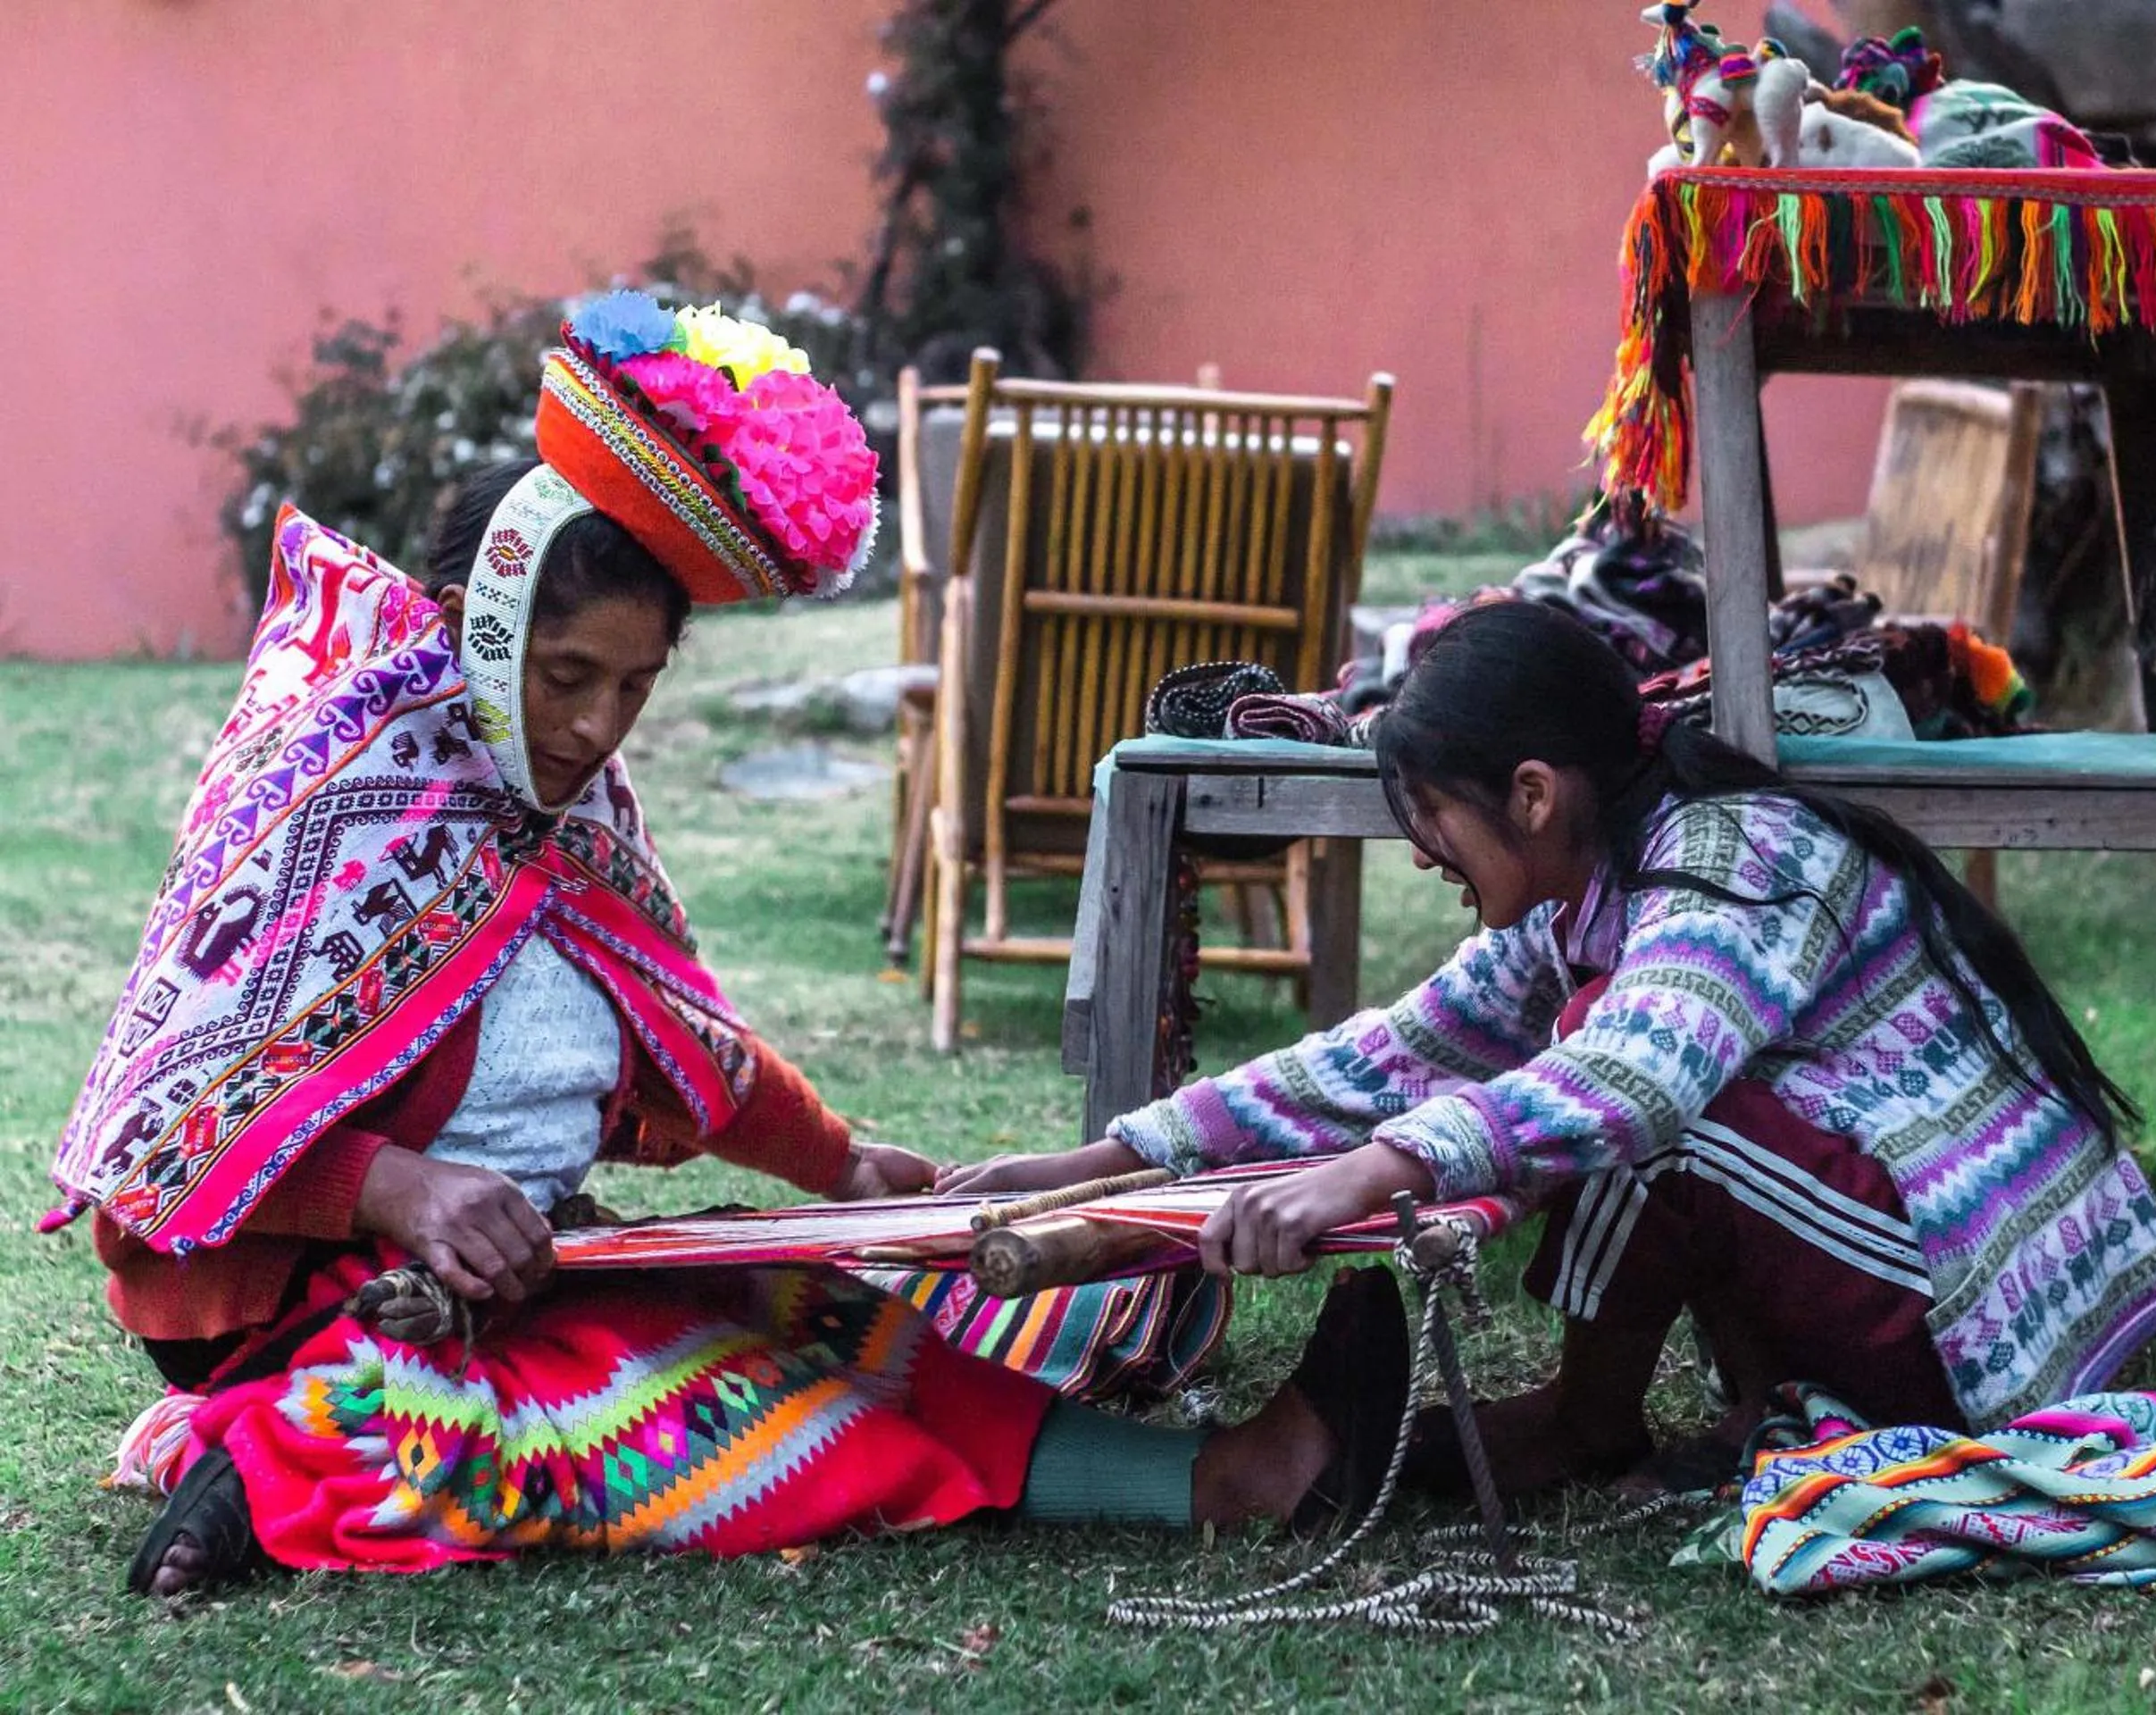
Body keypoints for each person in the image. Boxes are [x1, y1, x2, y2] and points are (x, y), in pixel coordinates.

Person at [50, 296, 1407, 1598]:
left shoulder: (564, 819)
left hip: (516, 1265)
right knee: (690, 1385)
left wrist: (850, 1167)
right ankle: (296, 1444)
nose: (594, 729)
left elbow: (683, 1045)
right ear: (473, 619)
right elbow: (150, 1152)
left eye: (632, 688)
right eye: (565, 676)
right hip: (299, 1292)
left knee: (808, 1305)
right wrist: (399, 1189)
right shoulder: (330, 795)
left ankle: (335, 1429)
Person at [943, 599, 2156, 1493]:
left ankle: (1583, 1426)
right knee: (1590, 1079)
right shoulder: (1584, 900)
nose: (1426, 854)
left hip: (1994, 1316)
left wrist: (1378, 1172)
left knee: (1648, 1103)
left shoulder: (1737, 859)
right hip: (1902, 1265)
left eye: (1433, 818)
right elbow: (1388, 1056)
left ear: (1533, 796)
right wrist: (1094, 1161)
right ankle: (1651, 1416)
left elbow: (1633, 1082)